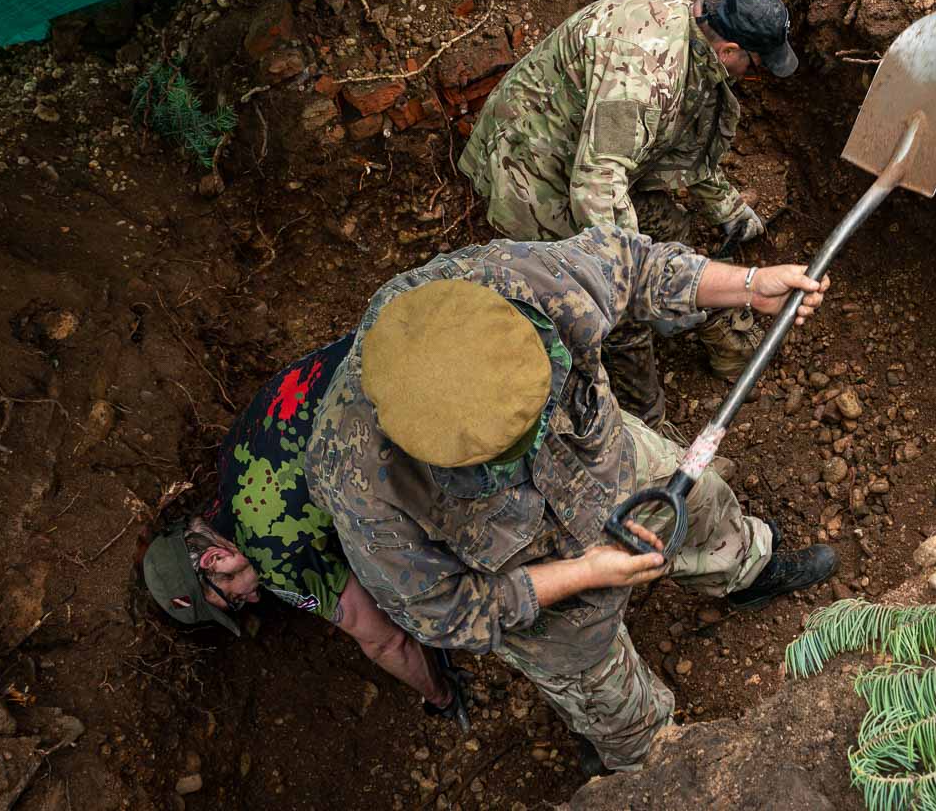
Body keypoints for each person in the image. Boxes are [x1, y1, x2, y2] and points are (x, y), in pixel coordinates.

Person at [305, 224, 839, 773]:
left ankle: (745, 572)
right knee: (612, 706)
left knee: (702, 502)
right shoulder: (359, 480)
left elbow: (634, 266)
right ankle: (636, 756)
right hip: (534, 581)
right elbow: (444, 613)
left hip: (611, 466)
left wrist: (749, 284)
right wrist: (584, 574)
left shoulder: (511, 281)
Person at [456, 0, 799, 425]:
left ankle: (723, 343)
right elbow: (596, 183)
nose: (750, 74)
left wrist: (725, 205)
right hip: (533, 173)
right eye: (753, 64)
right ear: (729, 49)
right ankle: (645, 431)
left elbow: (677, 144)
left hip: (588, 152)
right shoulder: (641, 76)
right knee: (619, 311)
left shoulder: (688, 36)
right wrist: (640, 280)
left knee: (671, 228)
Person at [141, 335, 466, 726]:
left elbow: (385, 641)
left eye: (234, 600)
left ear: (214, 560)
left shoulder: (274, 558)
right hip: (396, 331)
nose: (253, 601)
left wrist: (440, 695)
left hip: (439, 392)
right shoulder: (230, 457)